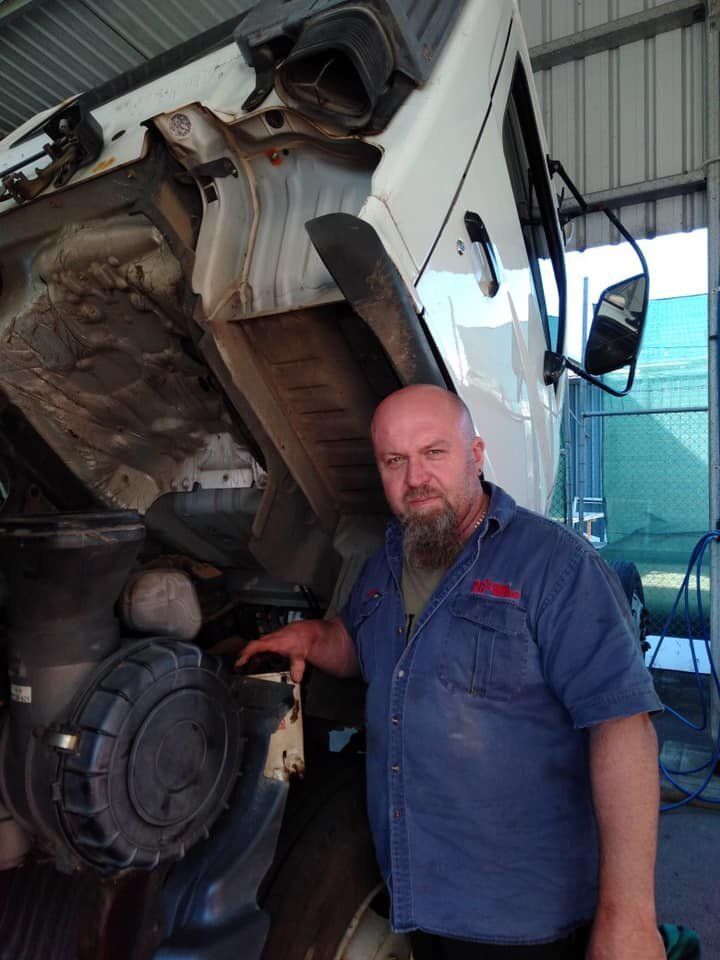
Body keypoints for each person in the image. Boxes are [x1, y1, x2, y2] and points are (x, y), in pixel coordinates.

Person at [237, 384, 665, 960]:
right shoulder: (386, 562)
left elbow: (624, 729)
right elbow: (361, 645)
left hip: (525, 921)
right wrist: (316, 638)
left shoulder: (557, 567)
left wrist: (630, 917)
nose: (415, 478)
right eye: (395, 461)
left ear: (476, 454)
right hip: (420, 901)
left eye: (434, 453)